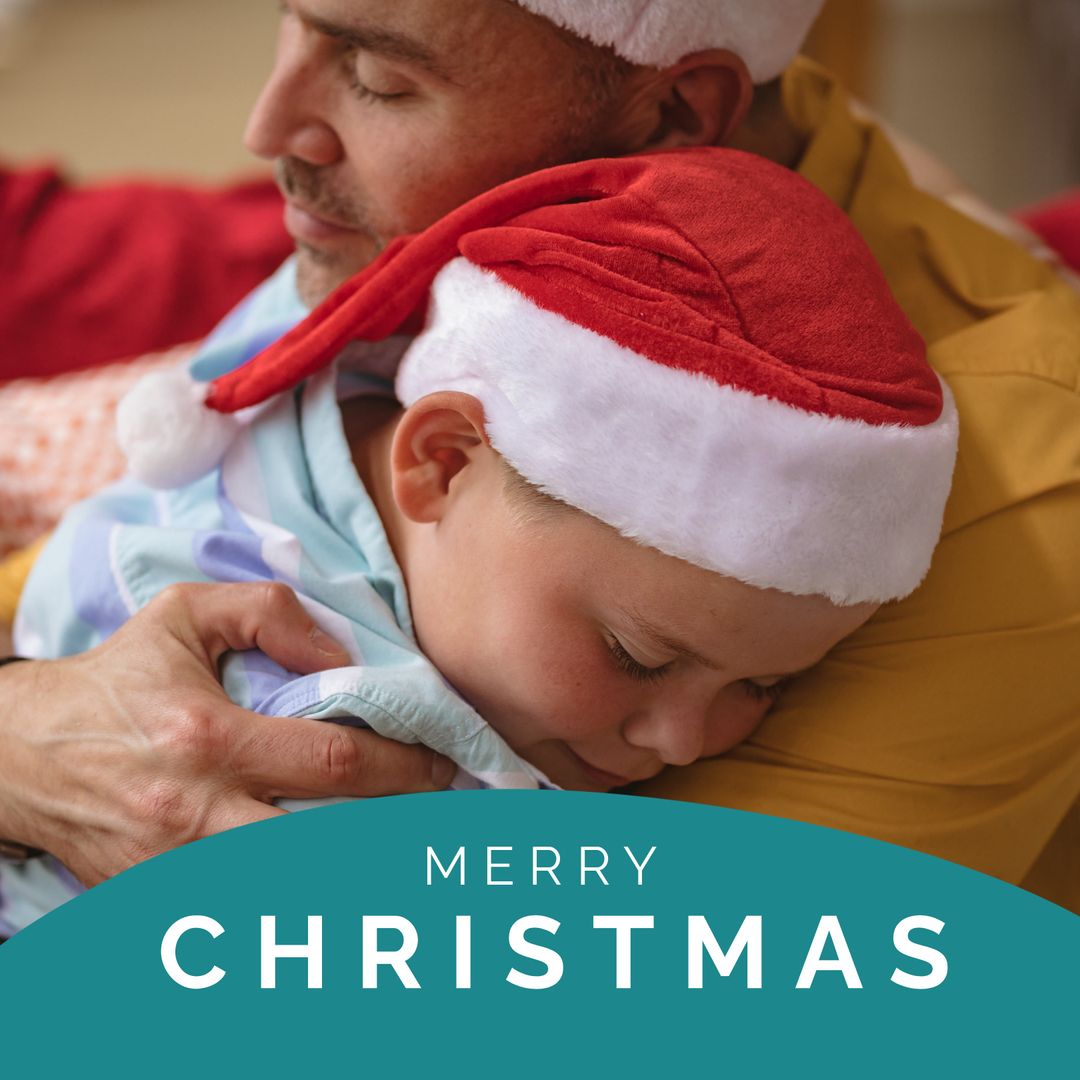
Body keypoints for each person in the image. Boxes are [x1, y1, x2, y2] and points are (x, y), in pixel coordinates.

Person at [1, 0, 1077, 910]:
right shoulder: (406, 265)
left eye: (380, 78)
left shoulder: (1014, 496)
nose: (266, 128)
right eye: (291, 22)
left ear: (679, 111)